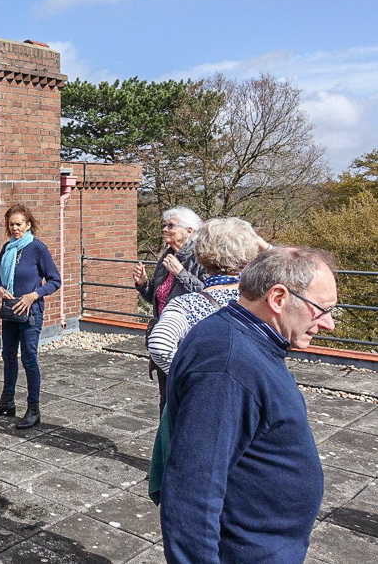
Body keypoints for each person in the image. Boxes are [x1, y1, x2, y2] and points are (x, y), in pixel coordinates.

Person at [160, 247, 337, 563]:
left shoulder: (244, 339)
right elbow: (192, 491)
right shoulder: (227, 364)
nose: (329, 324)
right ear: (278, 299)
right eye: (322, 310)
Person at [147, 217, 269, 375]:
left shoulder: (187, 305)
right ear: (251, 255)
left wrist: (188, 378)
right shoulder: (265, 298)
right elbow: (294, 268)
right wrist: (260, 243)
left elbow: (159, 344)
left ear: (199, 256)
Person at [0, 204, 62, 429]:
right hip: (9, 312)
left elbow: (55, 280)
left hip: (30, 314)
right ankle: (7, 402)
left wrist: (33, 296)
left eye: (19, 224)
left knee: (29, 359)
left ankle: (33, 409)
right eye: (11, 224)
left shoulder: (37, 248)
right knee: (8, 356)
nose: (15, 228)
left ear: (28, 225)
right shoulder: (7, 249)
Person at [133, 206, 207, 412]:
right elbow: (156, 299)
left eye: (171, 226)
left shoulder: (201, 258)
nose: (165, 229)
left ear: (189, 231)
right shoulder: (167, 256)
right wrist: (143, 284)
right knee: (166, 402)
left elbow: (209, 295)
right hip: (165, 339)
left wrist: (181, 272)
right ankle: (166, 444)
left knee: (188, 401)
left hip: (188, 341)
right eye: (164, 225)